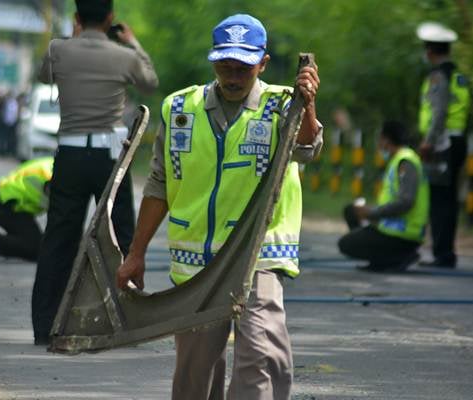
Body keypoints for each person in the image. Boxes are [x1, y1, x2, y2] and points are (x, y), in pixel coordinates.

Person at [116, 13, 322, 400]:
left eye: (243, 67)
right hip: (197, 263)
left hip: (256, 256)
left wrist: (307, 105)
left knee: (262, 355)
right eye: (224, 65)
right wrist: (136, 253)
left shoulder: (282, 105)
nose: (232, 76)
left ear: (262, 63)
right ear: (213, 62)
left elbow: (307, 149)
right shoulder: (180, 110)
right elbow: (160, 184)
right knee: (195, 375)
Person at [31, 0, 158, 346]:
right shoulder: (124, 55)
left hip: (69, 155)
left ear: (76, 18)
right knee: (121, 239)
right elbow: (150, 82)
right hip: (108, 158)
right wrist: (132, 43)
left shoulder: (59, 49)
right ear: (111, 18)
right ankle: (127, 322)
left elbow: (44, 76)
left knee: (58, 239)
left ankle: (45, 326)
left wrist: (70, 40)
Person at [338, 121, 429, 272]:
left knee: (346, 244)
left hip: (403, 233)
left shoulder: (406, 162)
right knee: (351, 211)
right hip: (392, 227)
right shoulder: (398, 160)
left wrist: (373, 213)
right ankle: (383, 259)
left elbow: (406, 202)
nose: (378, 144)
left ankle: (399, 256)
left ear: (386, 140)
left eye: (379, 139)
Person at [416, 22, 470, 268]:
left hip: (442, 143)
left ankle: (443, 254)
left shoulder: (438, 76)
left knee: (440, 199)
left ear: (430, 51)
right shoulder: (458, 75)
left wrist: (428, 142)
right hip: (458, 140)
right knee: (448, 199)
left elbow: (438, 113)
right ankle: (445, 252)